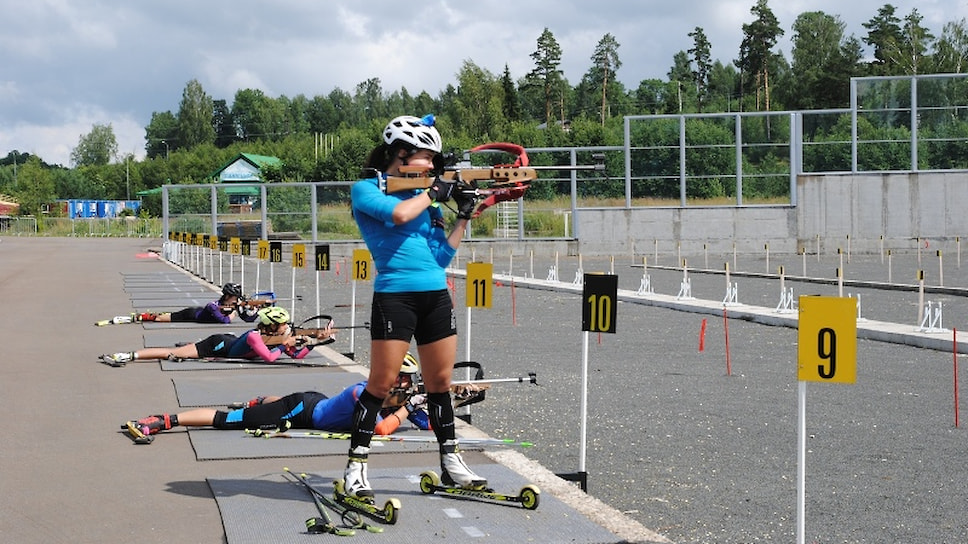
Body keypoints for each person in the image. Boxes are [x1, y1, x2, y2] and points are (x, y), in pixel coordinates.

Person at [345, 113, 484, 500]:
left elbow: (439, 257)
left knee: (440, 384)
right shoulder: (367, 189)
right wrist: (436, 192)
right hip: (395, 296)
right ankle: (356, 465)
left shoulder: (428, 201)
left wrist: (466, 217)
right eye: (428, 158)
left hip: (435, 294)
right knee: (380, 385)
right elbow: (399, 214)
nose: (434, 167)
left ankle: (451, 462)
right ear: (401, 155)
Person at [123, 353, 430, 441]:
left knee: (278, 405)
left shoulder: (388, 396)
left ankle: (261, 401)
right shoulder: (362, 392)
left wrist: (420, 406)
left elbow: (426, 426)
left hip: (311, 403)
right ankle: (164, 420)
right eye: (405, 380)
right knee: (226, 420)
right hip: (303, 410)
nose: (407, 385)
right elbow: (379, 429)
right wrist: (408, 408)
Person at [99, 306, 331, 366]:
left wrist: (313, 341)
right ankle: (127, 355)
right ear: (271, 327)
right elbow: (270, 358)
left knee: (181, 351)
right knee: (172, 354)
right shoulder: (254, 337)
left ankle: (188, 345)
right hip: (217, 344)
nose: (286, 328)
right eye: (282, 325)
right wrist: (285, 345)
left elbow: (297, 356)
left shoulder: (278, 337)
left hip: (230, 342)